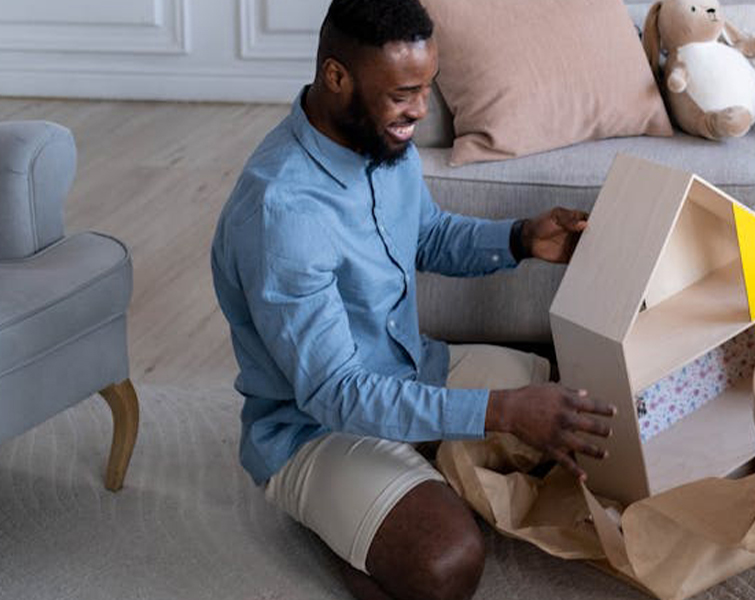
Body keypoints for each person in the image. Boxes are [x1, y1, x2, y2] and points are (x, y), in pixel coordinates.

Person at [209, 1, 614, 599]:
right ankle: (344, 522)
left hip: (410, 370)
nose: (421, 111)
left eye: (427, 87)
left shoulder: (379, 144)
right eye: (404, 93)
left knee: (579, 411)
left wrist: (521, 237)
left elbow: (425, 235)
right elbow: (336, 393)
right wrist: (499, 410)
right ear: (336, 76)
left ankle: (416, 475)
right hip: (317, 429)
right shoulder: (283, 215)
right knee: (448, 562)